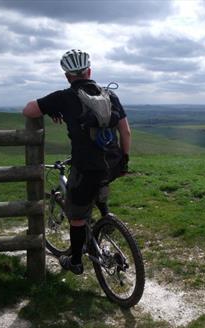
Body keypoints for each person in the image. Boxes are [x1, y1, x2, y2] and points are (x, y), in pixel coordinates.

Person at [23, 49, 131, 275]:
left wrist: (52, 109)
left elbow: (29, 110)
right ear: (89, 71)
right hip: (112, 163)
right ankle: (106, 222)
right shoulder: (109, 95)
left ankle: (75, 261)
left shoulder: (64, 97)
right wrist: (124, 162)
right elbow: (126, 132)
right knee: (97, 186)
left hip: (86, 167)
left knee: (77, 217)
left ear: (67, 76)